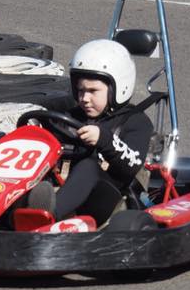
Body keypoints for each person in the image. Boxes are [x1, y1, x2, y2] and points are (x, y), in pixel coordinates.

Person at [47, 38, 154, 220]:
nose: (84, 98)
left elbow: (133, 165)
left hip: (113, 202)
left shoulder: (136, 121)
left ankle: (47, 215)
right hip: (65, 191)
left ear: (117, 89)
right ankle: (8, 212)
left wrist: (104, 139)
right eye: (80, 91)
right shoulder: (71, 116)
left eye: (92, 91)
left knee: (89, 166)